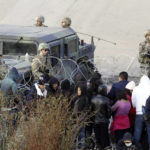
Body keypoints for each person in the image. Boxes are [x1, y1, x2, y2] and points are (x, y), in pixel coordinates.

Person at [132, 75, 150, 149]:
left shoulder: (136, 89)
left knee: (137, 133)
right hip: (149, 114)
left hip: (139, 113)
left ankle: (135, 148)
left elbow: (133, 103)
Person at [91, 85, 111, 150]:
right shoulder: (106, 100)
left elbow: (91, 110)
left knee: (97, 137)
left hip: (96, 121)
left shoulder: (93, 99)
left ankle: (98, 147)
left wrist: (93, 118)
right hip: (104, 121)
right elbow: (109, 112)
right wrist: (107, 117)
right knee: (104, 136)